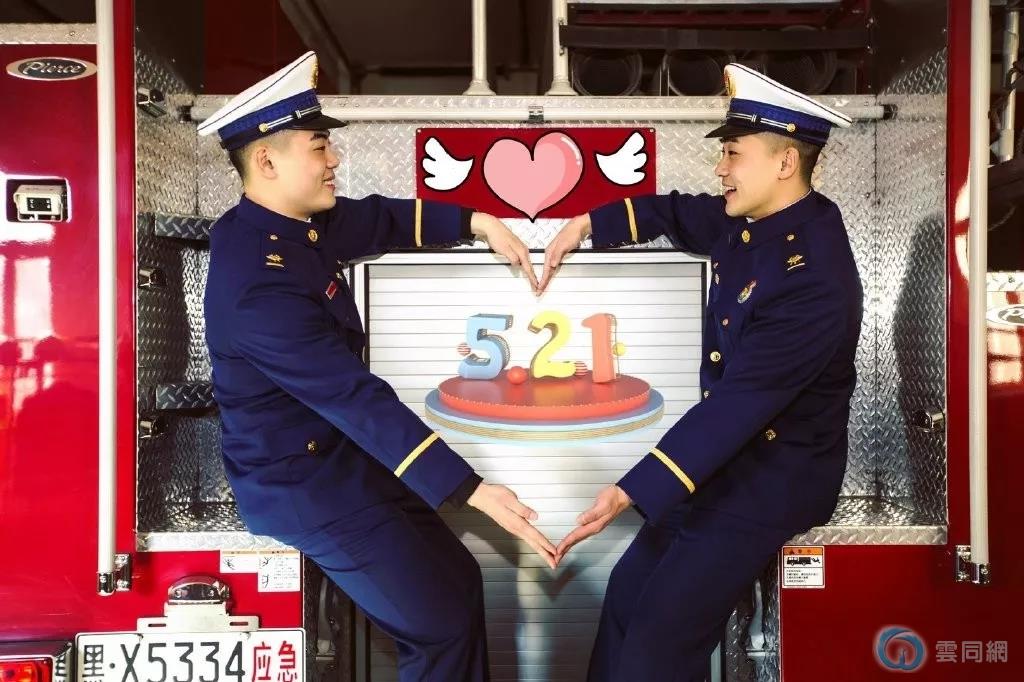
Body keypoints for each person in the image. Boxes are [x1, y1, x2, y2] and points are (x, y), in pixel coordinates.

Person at [200, 51, 554, 682]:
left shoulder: (291, 227)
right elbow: (353, 397)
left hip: (345, 465)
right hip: (303, 486)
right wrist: (470, 489)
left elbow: (380, 218)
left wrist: (476, 221)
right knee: (439, 624)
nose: (334, 159)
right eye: (319, 147)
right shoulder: (258, 281)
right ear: (268, 161)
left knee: (458, 580)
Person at [541, 63, 864, 681]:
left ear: (785, 163)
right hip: (720, 468)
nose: (720, 169)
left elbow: (740, 403)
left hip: (771, 482)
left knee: (658, 646)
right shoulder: (756, 224)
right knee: (627, 598)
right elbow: (678, 213)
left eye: (733, 154)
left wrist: (630, 490)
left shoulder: (814, 275)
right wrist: (589, 223)